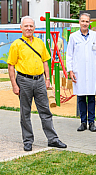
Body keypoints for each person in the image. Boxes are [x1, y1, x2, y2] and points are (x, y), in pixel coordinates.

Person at [7, 16, 67, 151]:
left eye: (31, 26)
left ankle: (53, 139)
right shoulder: (16, 44)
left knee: (45, 110)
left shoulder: (40, 43)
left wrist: (47, 79)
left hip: (39, 80)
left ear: (34, 28)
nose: (29, 28)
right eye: (26, 26)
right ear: (21, 28)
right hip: (23, 81)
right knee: (25, 112)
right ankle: (28, 140)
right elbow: (11, 66)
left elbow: (45, 61)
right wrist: (14, 85)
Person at [66, 13, 96, 132]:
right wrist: (70, 70)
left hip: (92, 71)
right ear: (79, 22)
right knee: (81, 97)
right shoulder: (73, 37)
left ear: (89, 23)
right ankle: (83, 122)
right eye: (83, 21)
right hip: (78, 71)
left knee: (91, 97)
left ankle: (92, 122)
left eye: (87, 21)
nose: (85, 23)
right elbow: (69, 55)